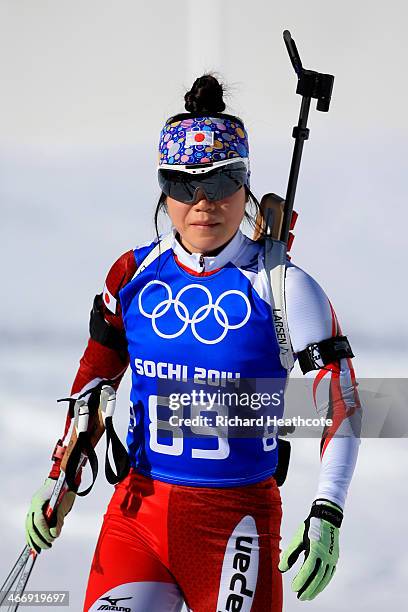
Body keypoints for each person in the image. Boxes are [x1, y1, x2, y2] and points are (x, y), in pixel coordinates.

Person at [25, 74, 361, 612]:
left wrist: (327, 511)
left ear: (245, 184)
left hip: (235, 528)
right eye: (184, 185)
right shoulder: (133, 274)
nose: (203, 202)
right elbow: (95, 379)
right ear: (164, 190)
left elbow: (341, 402)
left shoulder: (284, 286)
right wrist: (60, 474)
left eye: (222, 180)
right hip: (138, 517)